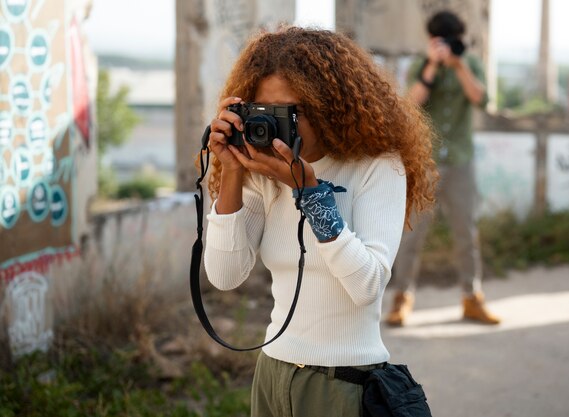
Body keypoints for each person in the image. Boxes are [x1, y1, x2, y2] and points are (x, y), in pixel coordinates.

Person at [203, 27, 437, 416]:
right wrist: (232, 171)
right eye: (267, 110)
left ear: (330, 105)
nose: (281, 125)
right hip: (272, 372)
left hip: (341, 382)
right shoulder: (260, 171)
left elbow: (368, 285)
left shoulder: (378, 166)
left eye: (294, 111)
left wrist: (310, 193)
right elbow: (225, 276)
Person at [385, 10, 501, 327]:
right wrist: (434, 65)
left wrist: (459, 65)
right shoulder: (423, 66)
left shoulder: (470, 63)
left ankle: (472, 298)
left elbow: (481, 99)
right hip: (427, 161)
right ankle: (401, 298)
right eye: (441, 41)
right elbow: (411, 104)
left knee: (467, 231)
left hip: (461, 159)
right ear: (431, 41)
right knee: (412, 234)